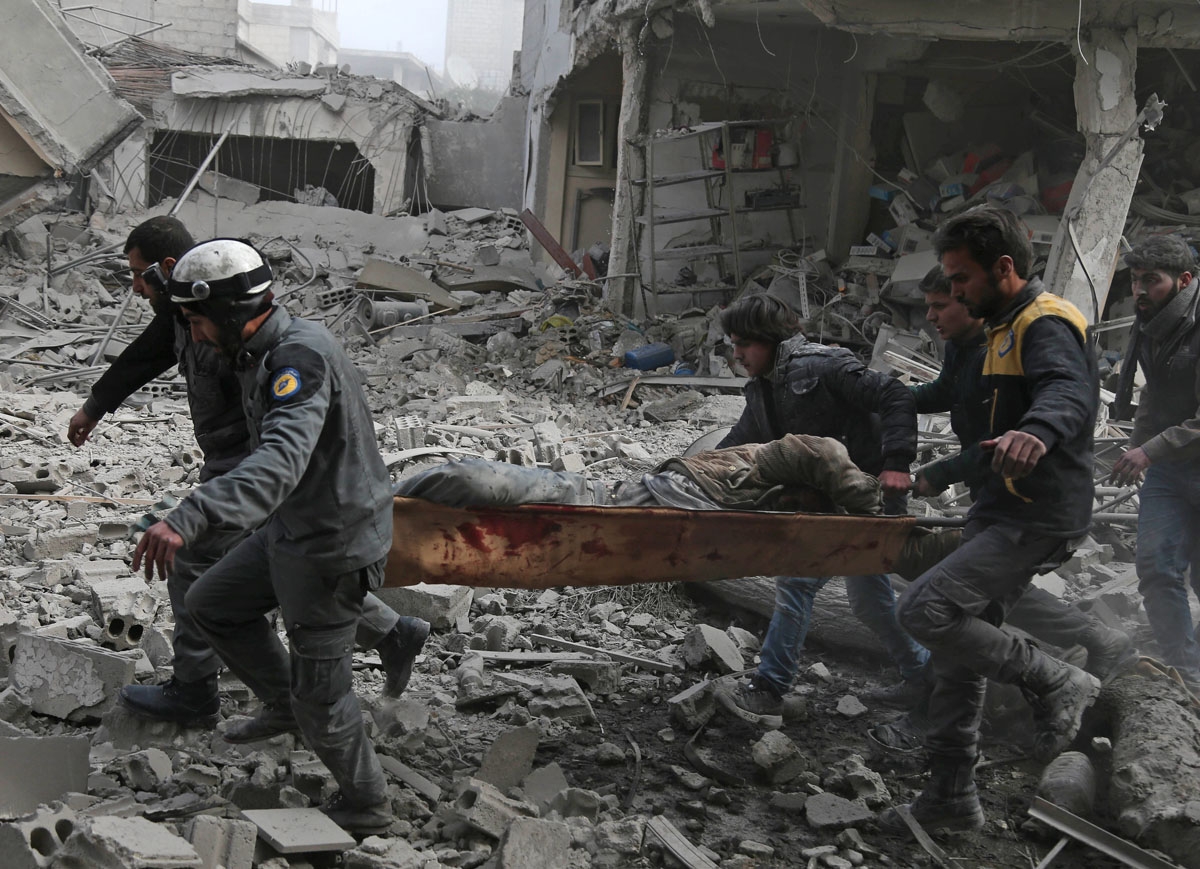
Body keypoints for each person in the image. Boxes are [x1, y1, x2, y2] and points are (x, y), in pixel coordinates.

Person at [68, 218, 428, 729]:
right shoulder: (190, 315)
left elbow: (284, 438)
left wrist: (200, 509)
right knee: (271, 566)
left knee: (196, 558)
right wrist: (95, 406)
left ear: (169, 270)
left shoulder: (250, 331)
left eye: (139, 275)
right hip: (239, 467)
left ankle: (203, 692)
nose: (136, 287)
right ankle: (389, 636)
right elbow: (142, 358)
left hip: (255, 467)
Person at [130, 238, 402, 834]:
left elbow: (280, 459)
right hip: (294, 527)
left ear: (227, 313)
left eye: (198, 322)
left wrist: (188, 516)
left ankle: (367, 803)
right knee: (212, 604)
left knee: (324, 700)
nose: (195, 337)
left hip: (332, 546)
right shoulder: (263, 347)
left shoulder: (295, 361)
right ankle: (283, 703)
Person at [881, 206, 1101, 835]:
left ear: (1003, 268)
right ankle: (951, 797)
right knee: (959, 652)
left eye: (961, 278)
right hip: (1001, 507)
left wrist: (1036, 431)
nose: (952, 292)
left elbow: (1068, 391)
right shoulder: (999, 327)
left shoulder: (1045, 322)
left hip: (1037, 514)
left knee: (924, 611)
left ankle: (1057, 677)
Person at [714, 294, 927, 728]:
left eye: (743, 344)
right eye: (731, 344)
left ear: (772, 339)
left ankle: (770, 689)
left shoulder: (823, 365)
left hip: (866, 493)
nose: (736, 354)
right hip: (832, 502)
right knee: (872, 604)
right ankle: (926, 677)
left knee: (797, 580)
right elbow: (739, 442)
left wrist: (897, 464)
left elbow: (896, 396)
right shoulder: (762, 389)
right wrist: (693, 476)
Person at [912, 267, 1132, 682]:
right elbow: (944, 392)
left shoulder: (1015, 342)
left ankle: (1056, 678)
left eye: (940, 305)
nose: (929, 317)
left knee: (956, 600)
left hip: (1026, 504)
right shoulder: (962, 345)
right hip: (997, 495)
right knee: (983, 592)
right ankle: (1095, 639)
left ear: (969, 300)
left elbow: (1008, 435)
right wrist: (887, 397)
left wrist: (937, 475)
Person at [1110, 235, 1200, 687]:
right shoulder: (1152, 321)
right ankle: (1187, 676)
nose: (1140, 291)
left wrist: (1150, 449)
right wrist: (1139, 451)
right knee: (1156, 567)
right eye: (1134, 280)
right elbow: (1155, 392)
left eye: (1152, 280)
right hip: (1168, 466)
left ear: (1184, 281)